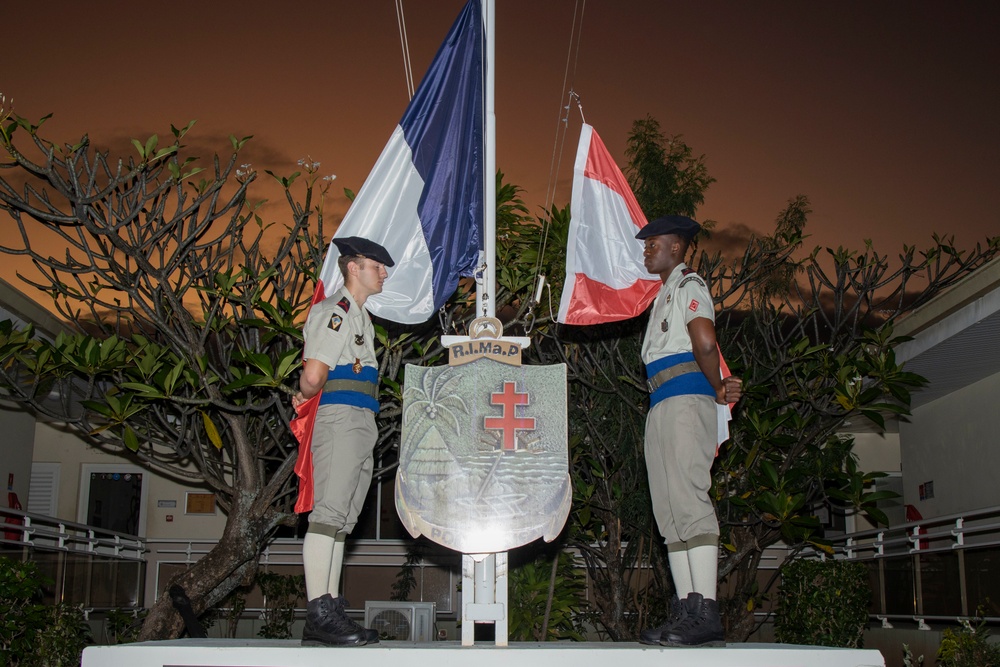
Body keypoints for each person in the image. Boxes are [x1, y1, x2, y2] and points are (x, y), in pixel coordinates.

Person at [634, 215, 742, 648]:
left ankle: (707, 612)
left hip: (685, 401)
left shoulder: (688, 285)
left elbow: (704, 341)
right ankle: (686, 607)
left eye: (652, 243)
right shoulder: (663, 295)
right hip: (661, 404)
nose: (646, 250)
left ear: (676, 247)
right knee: (669, 511)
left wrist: (717, 387)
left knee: (689, 500)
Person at [292, 236, 393, 647]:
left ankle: (329, 609)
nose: (384, 273)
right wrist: (304, 392)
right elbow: (314, 376)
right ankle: (319, 612)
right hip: (340, 420)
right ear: (353, 267)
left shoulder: (360, 316)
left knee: (342, 521)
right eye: (377, 266)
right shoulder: (337, 311)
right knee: (329, 515)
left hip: (358, 420)